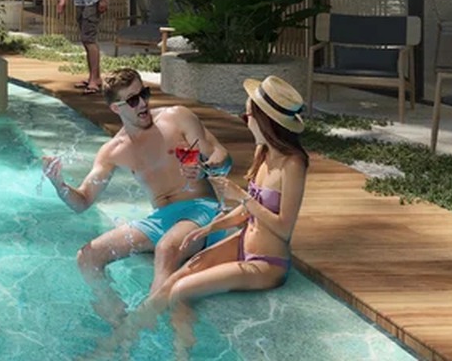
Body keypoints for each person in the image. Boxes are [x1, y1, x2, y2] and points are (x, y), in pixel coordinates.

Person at [102, 75, 311, 358]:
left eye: (246, 115)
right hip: (241, 241)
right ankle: (120, 343)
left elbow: (284, 229)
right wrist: (208, 228)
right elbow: (245, 213)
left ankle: (178, 355)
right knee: (177, 277)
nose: (244, 120)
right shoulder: (263, 153)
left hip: (266, 262)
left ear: (264, 120)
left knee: (181, 291)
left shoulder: (293, 163)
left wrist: (243, 196)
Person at [41, 68, 233, 323]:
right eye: (133, 100)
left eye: (144, 93)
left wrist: (206, 168)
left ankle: (145, 327)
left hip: (202, 209)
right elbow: (83, 202)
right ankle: (117, 317)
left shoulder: (177, 118)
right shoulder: (114, 151)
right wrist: (59, 185)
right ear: (116, 109)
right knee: (87, 258)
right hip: (161, 220)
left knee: (166, 248)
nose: (142, 103)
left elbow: (223, 158)